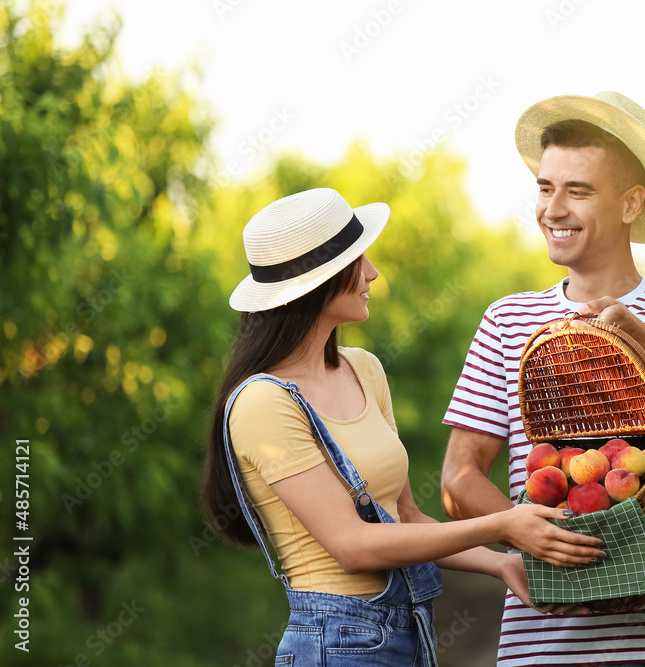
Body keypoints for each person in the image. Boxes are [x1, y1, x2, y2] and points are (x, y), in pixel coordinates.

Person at [200, 187, 605, 667]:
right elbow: (353, 546)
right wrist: (502, 525)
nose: (372, 272)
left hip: (410, 630)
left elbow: (407, 519)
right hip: (334, 642)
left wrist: (501, 563)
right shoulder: (262, 401)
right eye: (358, 259)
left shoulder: (363, 369)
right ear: (318, 282)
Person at [440, 92, 645, 666]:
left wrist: (642, 343)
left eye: (578, 191)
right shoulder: (506, 321)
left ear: (631, 202)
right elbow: (458, 478)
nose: (553, 209)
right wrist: (522, 531)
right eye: (545, 188)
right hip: (543, 650)